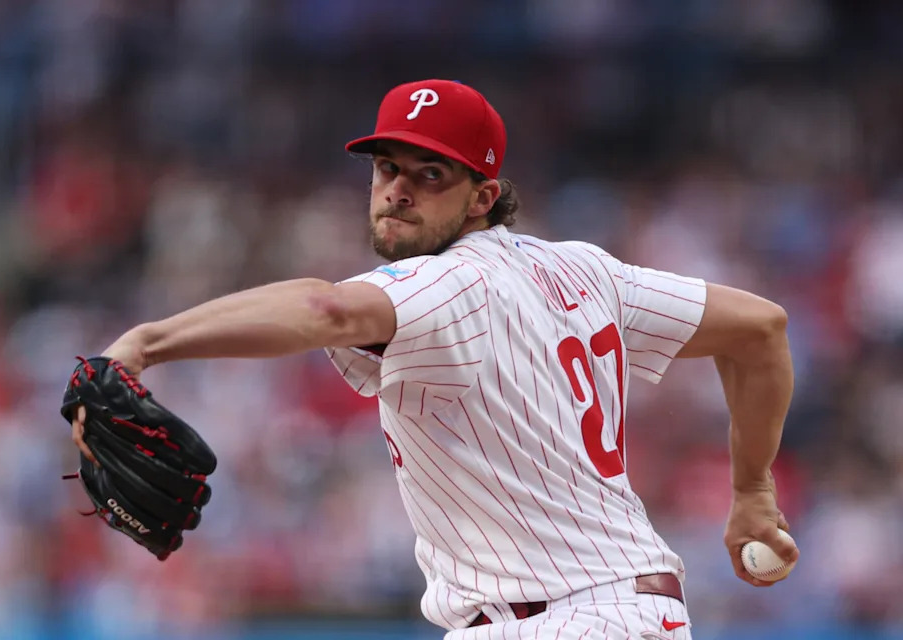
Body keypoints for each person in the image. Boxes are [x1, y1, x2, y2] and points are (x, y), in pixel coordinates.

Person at [70, 79, 799, 639]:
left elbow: (325, 309)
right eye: (388, 168)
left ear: (483, 196)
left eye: (430, 175)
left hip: (576, 618)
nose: (397, 191)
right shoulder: (585, 271)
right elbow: (757, 329)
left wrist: (146, 342)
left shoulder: (451, 280)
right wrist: (753, 493)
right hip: (581, 613)